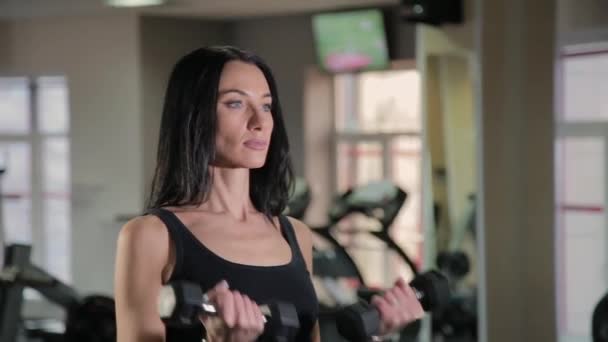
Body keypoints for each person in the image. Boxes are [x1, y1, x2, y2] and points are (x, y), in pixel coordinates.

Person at [113, 46, 424, 342]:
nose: (260, 122)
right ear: (193, 114)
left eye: (266, 106)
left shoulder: (294, 235)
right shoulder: (151, 236)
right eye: (235, 103)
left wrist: (375, 333)